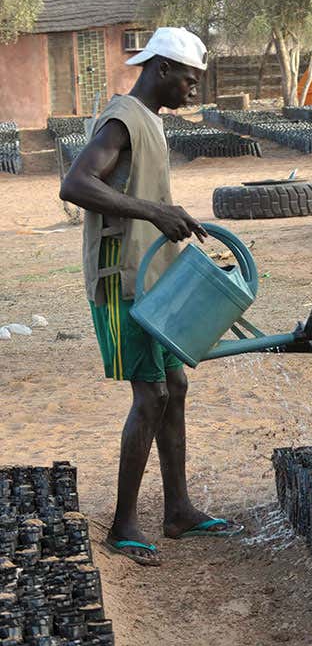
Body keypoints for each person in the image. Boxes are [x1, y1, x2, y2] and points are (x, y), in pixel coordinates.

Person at [59, 28, 244, 566]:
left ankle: (179, 510)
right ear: (161, 68)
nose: (193, 89)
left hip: (154, 279)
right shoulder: (122, 118)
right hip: (122, 282)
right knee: (151, 396)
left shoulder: (152, 123)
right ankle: (123, 525)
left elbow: (140, 195)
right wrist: (154, 211)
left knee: (176, 384)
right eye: (189, 78)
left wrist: (170, 211)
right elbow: (74, 185)